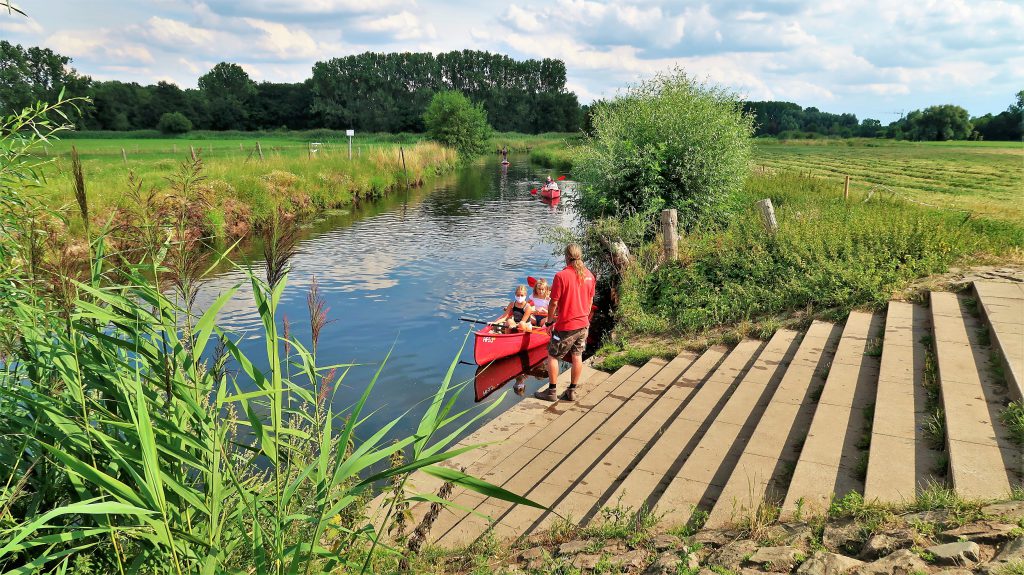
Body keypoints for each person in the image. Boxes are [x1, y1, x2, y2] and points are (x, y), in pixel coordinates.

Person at [535, 244, 595, 402]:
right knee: (577, 356)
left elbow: (553, 303)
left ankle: (552, 392)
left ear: (566, 257)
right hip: (583, 324)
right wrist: (584, 317)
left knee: (553, 356)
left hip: (566, 326)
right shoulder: (589, 275)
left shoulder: (561, 276)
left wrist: (549, 322)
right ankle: (572, 391)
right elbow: (590, 301)